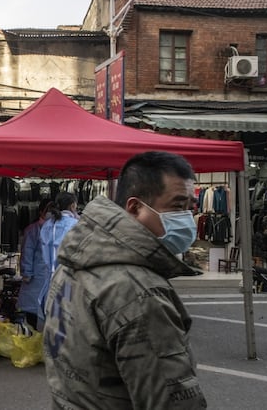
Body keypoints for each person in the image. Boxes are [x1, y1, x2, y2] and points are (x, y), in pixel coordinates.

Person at [43, 151, 206, 409]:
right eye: (177, 206)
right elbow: (170, 401)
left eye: (189, 208)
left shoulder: (71, 264)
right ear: (135, 207)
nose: (187, 218)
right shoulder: (139, 293)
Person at [37, 192, 79, 325]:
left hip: (48, 284)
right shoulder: (76, 225)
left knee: (49, 327)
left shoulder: (47, 225)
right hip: (68, 285)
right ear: (73, 206)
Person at [16, 199, 53, 328]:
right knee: (33, 309)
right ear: (41, 212)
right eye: (48, 211)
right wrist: (26, 272)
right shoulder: (33, 229)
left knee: (48, 309)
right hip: (35, 276)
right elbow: (27, 251)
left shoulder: (56, 228)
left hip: (50, 275)